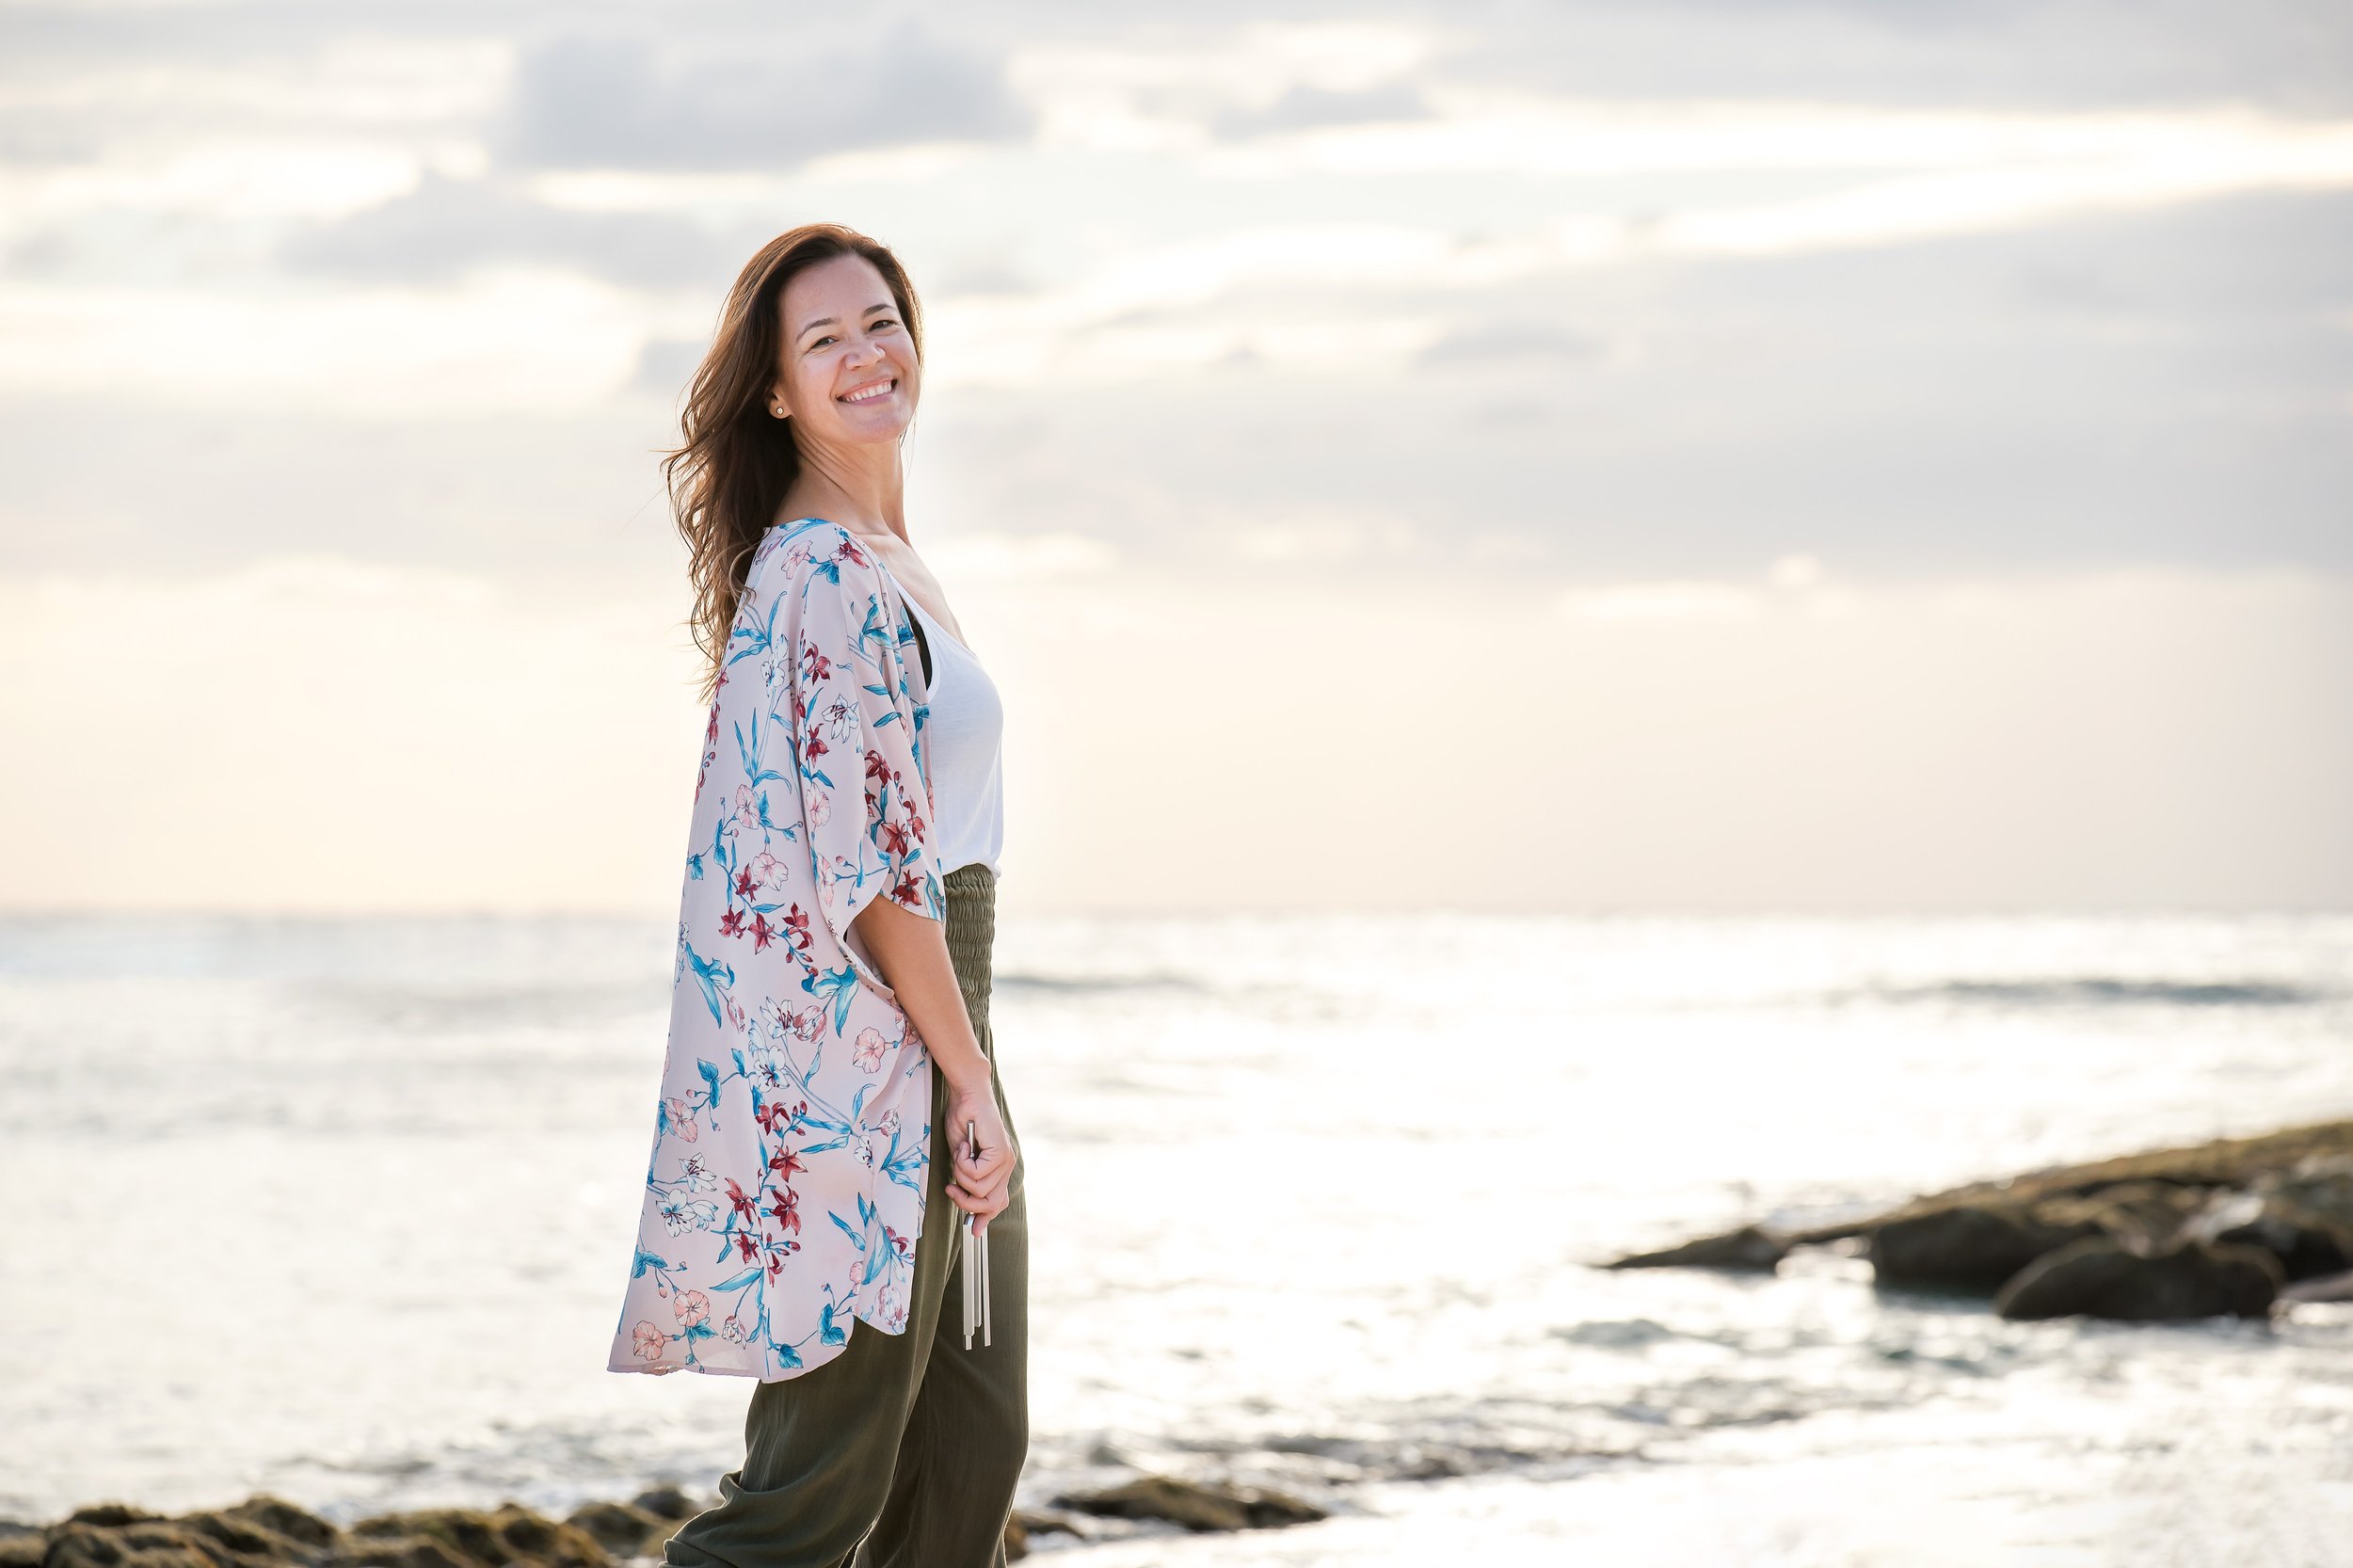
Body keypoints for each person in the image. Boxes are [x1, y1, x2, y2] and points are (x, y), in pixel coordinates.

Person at [606, 222, 1025, 1568]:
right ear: (777, 390)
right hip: (877, 1054)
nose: (866, 354)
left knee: (966, 1443)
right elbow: (873, 876)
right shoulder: (825, 573)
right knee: (812, 1495)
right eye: (824, 338)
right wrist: (962, 1076)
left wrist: (970, 1062)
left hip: (939, 1024)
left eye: (883, 320)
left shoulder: (880, 555)